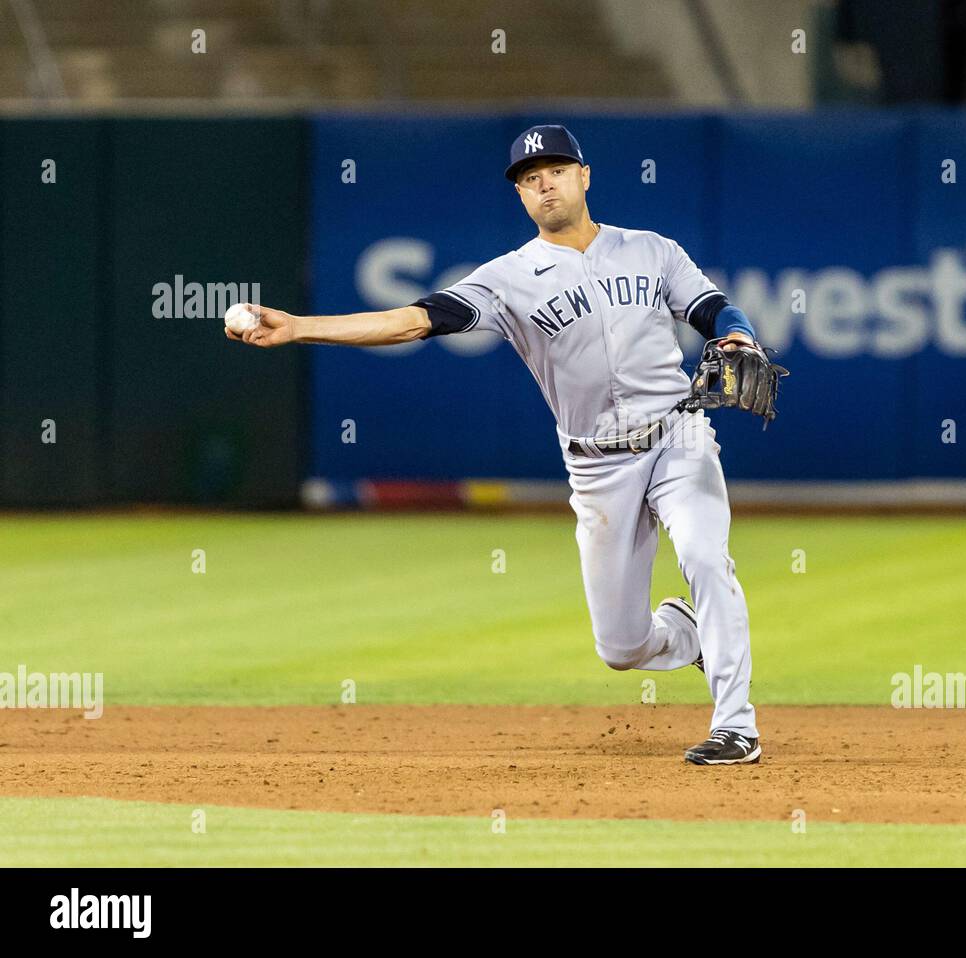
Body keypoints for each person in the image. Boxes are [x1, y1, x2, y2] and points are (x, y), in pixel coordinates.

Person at [227, 125, 772, 764]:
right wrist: (299, 328)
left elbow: (714, 310)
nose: (545, 183)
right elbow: (413, 321)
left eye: (557, 170)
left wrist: (737, 338)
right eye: (529, 177)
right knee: (620, 649)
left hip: (680, 437)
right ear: (519, 194)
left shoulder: (651, 251)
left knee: (706, 555)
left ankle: (736, 725)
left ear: (584, 176)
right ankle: (687, 631)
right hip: (598, 466)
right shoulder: (508, 279)